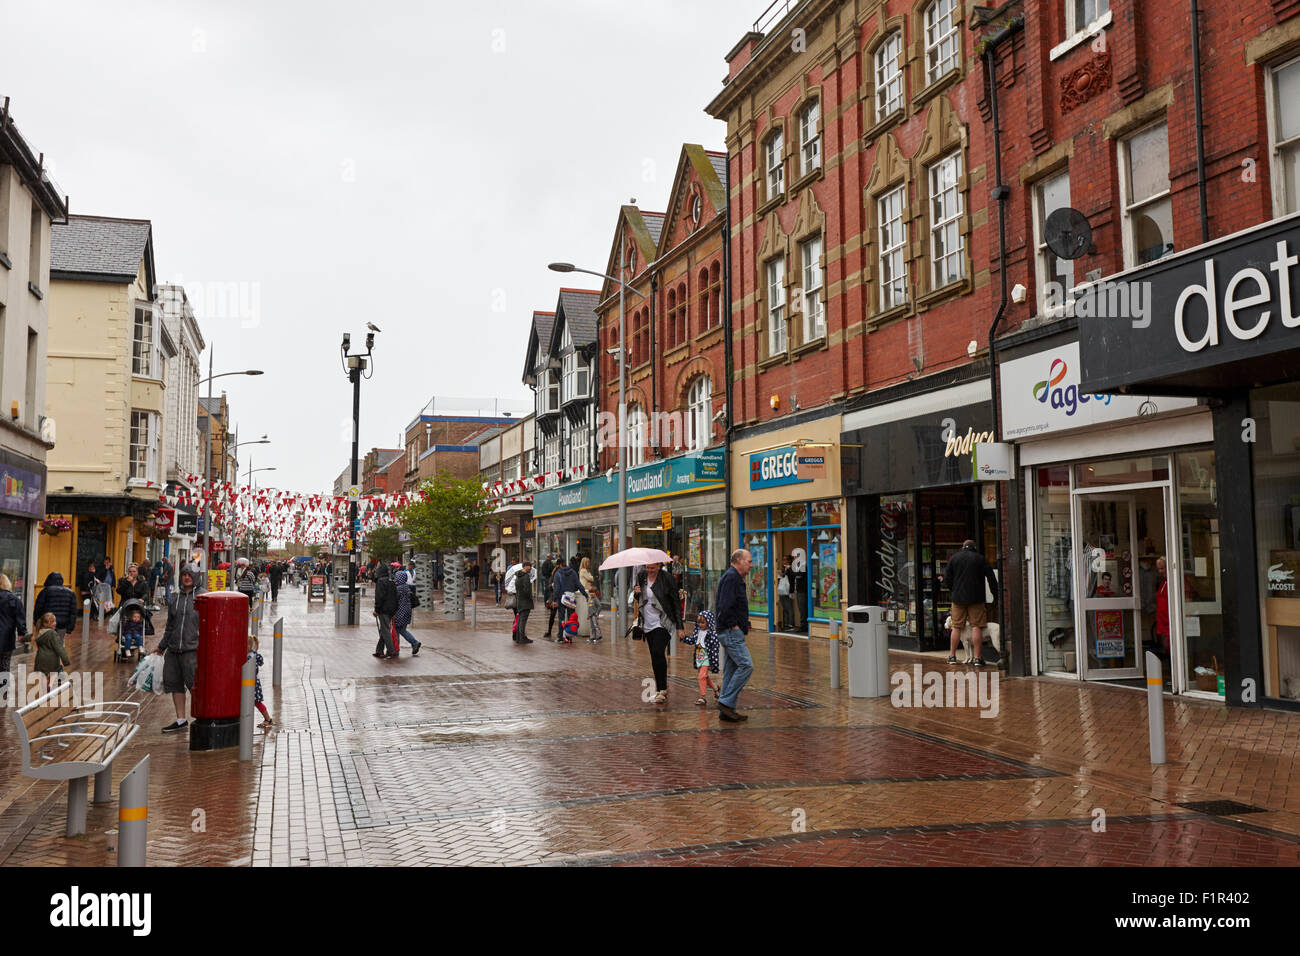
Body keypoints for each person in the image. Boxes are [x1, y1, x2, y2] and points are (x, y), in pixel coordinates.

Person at [629, 560, 683, 704]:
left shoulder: (667, 578)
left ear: (659, 566)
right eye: (647, 567)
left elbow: (675, 602)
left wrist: (680, 626)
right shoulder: (641, 576)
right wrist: (636, 593)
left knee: (659, 652)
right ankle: (660, 686)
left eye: (652, 568)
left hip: (663, 621)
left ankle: (663, 689)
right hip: (647, 622)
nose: (650, 570)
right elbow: (637, 598)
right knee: (654, 655)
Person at [157, 566, 203, 733]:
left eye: (189, 575)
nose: (186, 578)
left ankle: (203, 718)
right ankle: (181, 719)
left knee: (194, 686)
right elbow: (170, 626)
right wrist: (162, 646)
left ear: (196, 577)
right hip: (174, 649)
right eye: (183, 575)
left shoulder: (203, 597)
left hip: (193, 650)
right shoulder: (175, 598)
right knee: (175, 684)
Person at [943, 540, 999, 667]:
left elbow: (947, 579)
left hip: (958, 599)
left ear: (963, 547)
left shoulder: (954, 558)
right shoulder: (980, 559)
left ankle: (952, 656)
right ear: (974, 548)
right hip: (976, 598)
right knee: (976, 626)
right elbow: (991, 578)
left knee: (956, 627)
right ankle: (978, 659)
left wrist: (953, 590)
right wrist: (996, 595)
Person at [714, 549, 755, 722]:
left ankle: (726, 711)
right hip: (730, 631)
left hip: (732, 630)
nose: (751, 565)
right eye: (749, 561)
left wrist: (744, 623)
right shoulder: (732, 578)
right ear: (738, 560)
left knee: (731, 669)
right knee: (746, 665)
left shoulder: (734, 577)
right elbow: (725, 606)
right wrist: (735, 625)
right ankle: (726, 702)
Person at [688, 608, 722, 706]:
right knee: (705, 677)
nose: (700, 624)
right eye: (698, 622)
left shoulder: (712, 634)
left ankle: (702, 697)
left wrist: (714, 663)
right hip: (699, 658)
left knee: (701, 676)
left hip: (707, 658)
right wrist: (684, 638)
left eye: (702, 622)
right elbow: (692, 640)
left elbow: (715, 649)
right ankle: (716, 689)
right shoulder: (697, 631)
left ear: (709, 622)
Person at [0, 574, 26, 689]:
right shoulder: (14, 599)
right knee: (5, 662)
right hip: (7, 637)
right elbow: (20, 618)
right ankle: (3, 687)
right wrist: (22, 633)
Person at [34, 612, 69, 692]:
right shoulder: (53, 633)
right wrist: (65, 660)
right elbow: (59, 648)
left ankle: (44, 690)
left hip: (40, 658)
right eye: (54, 621)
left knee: (44, 675)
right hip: (52, 658)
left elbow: (29, 637)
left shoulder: (38, 632)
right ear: (49, 623)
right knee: (54, 672)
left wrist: (22, 639)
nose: (56, 623)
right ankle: (50, 685)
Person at [551, 556, 581, 642]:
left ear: (560, 565)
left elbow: (556, 589)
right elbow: (578, 585)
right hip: (570, 598)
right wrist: (585, 594)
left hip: (561, 598)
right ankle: (569, 635)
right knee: (571, 617)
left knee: (561, 618)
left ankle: (561, 637)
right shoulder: (573, 572)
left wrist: (554, 600)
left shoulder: (558, 574)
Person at [393, 564, 421, 655]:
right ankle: (413, 643)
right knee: (402, 629)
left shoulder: (398, 589)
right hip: (407, 611)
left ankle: (396, 648)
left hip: (399, 612)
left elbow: (395, 600)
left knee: (397, 629)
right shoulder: (406, 587)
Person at [372, 564, 398, 659]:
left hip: (383, 609)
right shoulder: (391, 581)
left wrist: (376, 609)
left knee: (385, 630)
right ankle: (379, 650)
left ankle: (391, 651)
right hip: (391, 609)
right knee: (384, 629)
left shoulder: (380, 582)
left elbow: (380, 597)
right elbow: (396, 596)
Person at [248, 636, 272, 727]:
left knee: (257, 702)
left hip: (253, 683)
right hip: (247, 682)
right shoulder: (251, 655)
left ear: (249, 646)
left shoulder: (254, 655)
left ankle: (268, 719)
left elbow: (261, 662)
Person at [511, 559, 535, 644]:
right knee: (522, 620)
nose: (531, 568)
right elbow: (527, 590)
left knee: (520, 619)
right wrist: (530, 598)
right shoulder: (525, 576)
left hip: (519, 600)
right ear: (525, 566)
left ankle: (518, 637)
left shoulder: (518, 575)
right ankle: (522, 637)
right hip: (525, 601)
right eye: (530, 566)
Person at [579, 556, 602, 643]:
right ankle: (594, 636)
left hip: (588, 591)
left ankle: (597, 636)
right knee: (593, 624)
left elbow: (599, 605)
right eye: (588, 562)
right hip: (586, 589)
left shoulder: (584, 571)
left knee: (594, 624)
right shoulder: (584, 571)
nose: (589, 564)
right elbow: (591, 578)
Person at [777, 555, 796, 632]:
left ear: (789, 561)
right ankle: (786, 624)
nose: (784, 561)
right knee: (784, 608)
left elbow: (792, 577)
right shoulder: (783, 568)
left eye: (786, 560)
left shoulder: (792, 568)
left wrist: (789, 569)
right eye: (783, 559)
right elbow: (782, 577)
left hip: (789, 590)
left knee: (789, 607)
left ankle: (791, 624)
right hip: (782, 590)